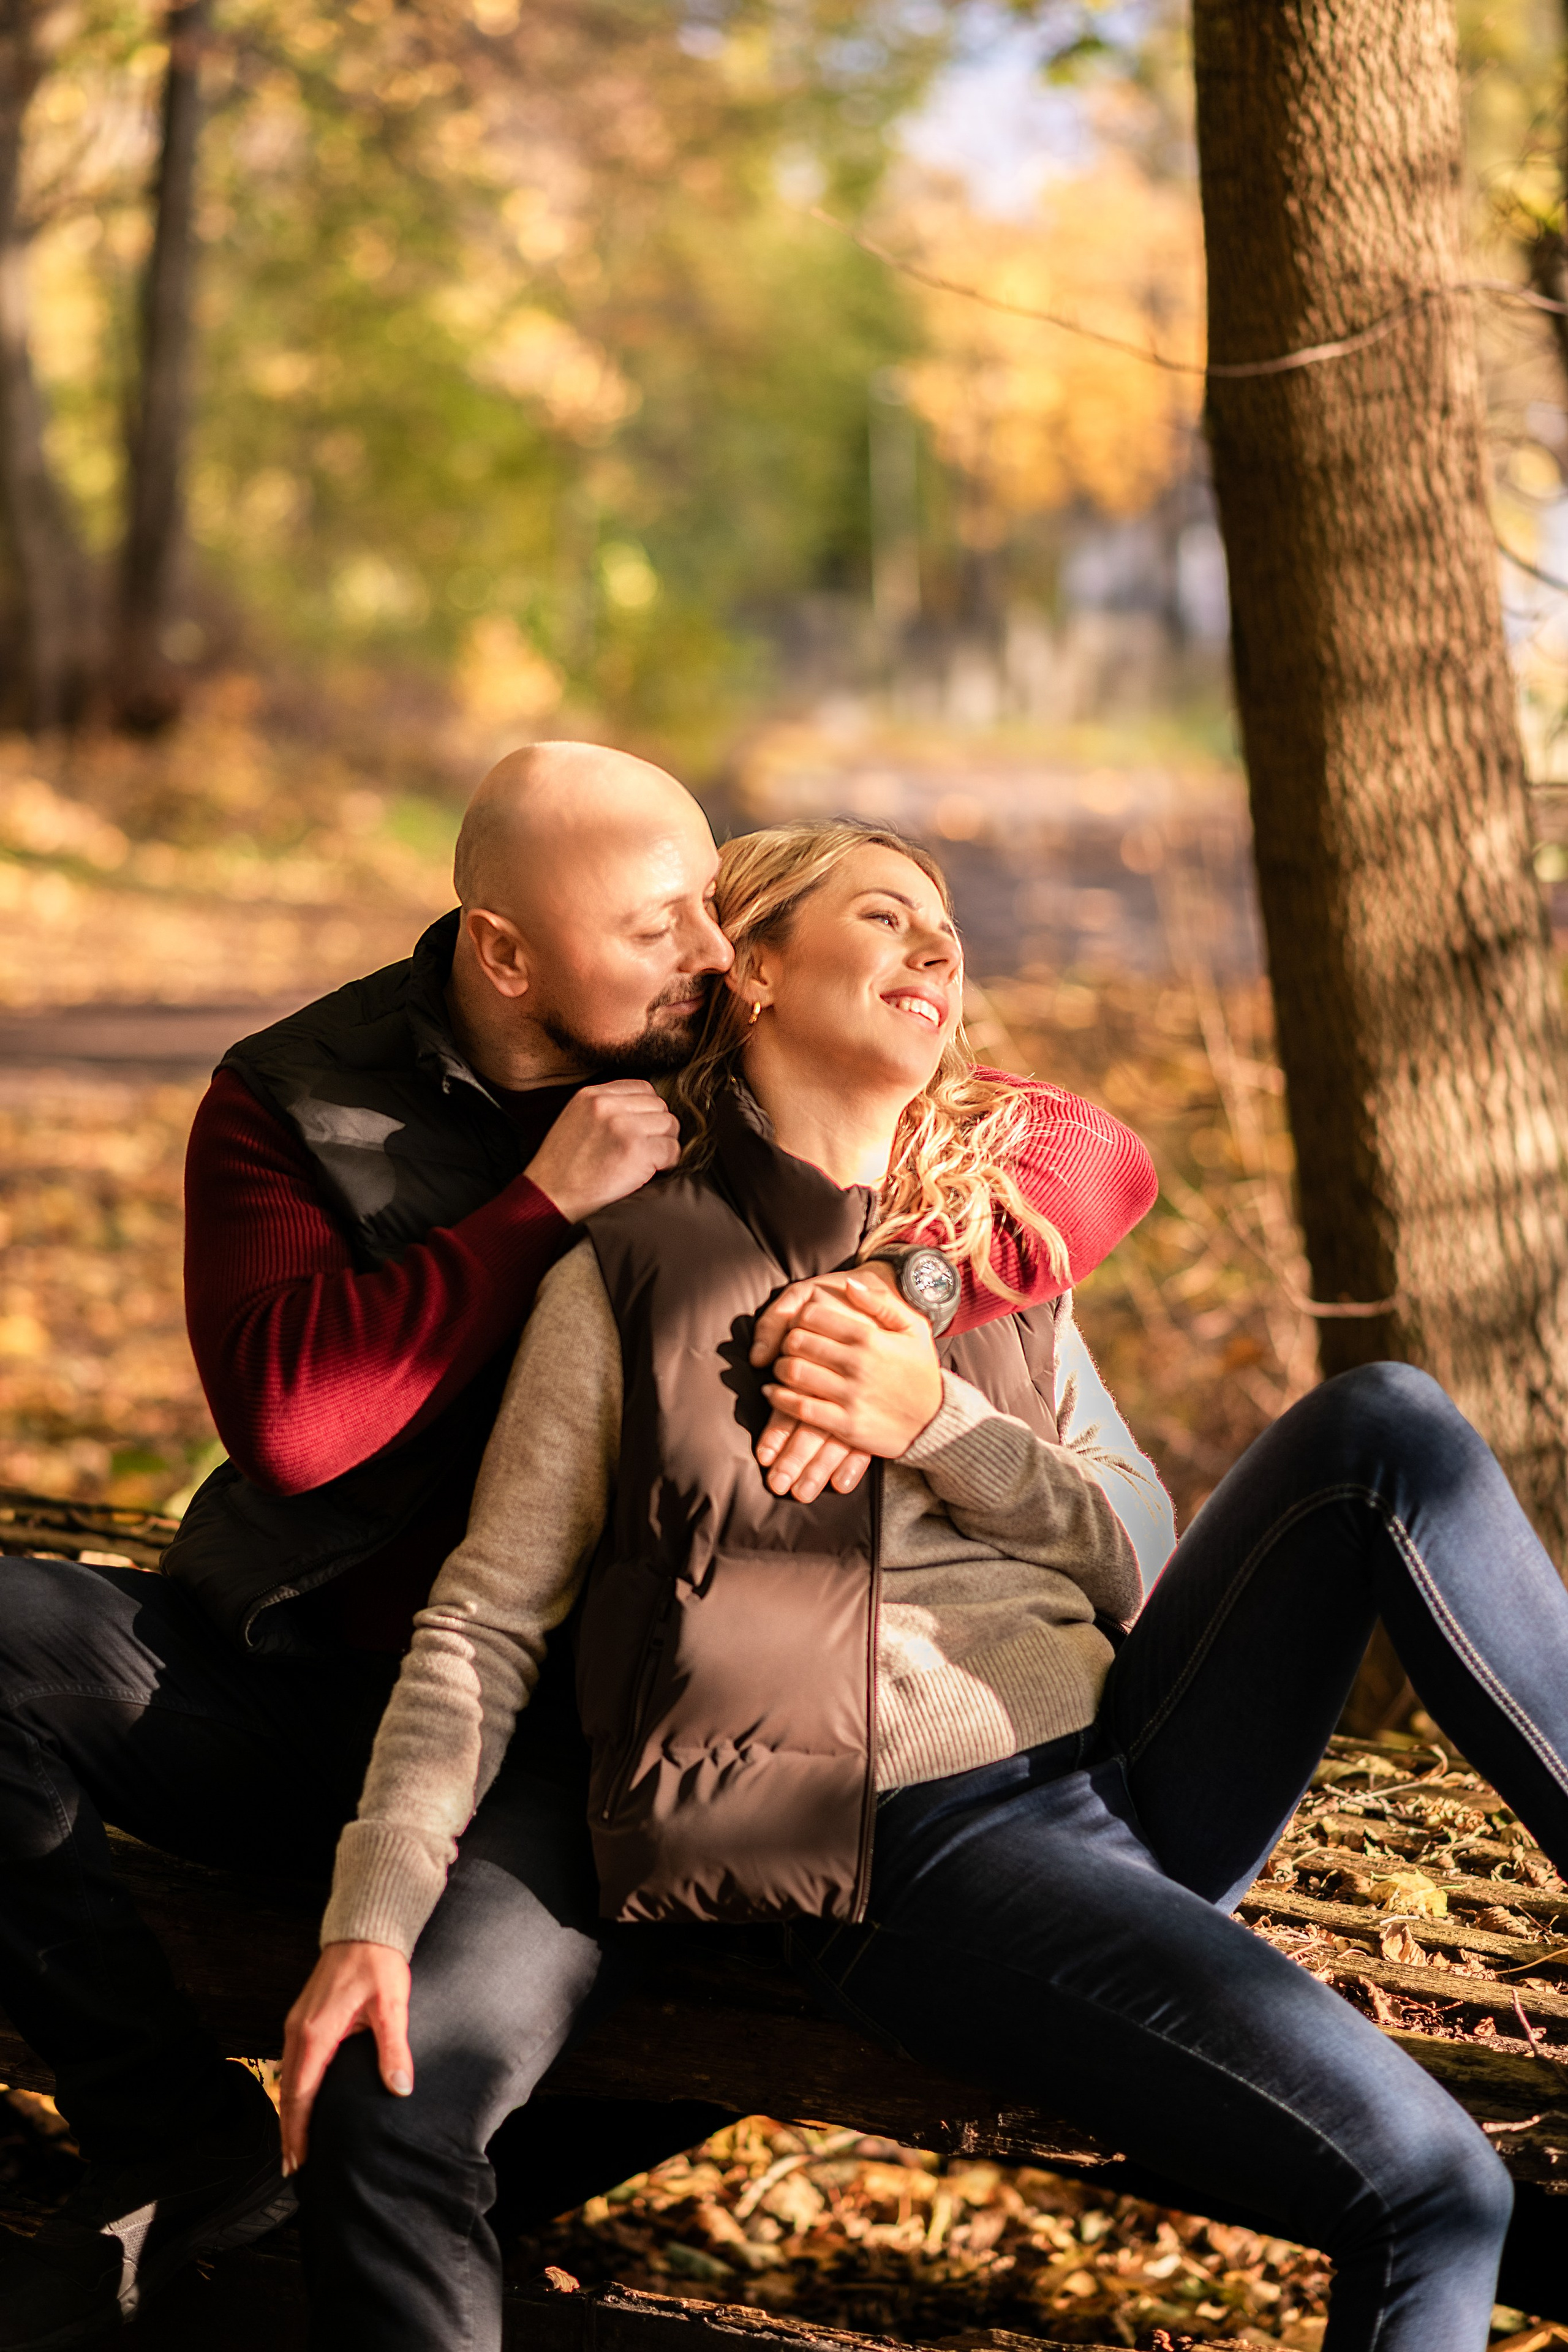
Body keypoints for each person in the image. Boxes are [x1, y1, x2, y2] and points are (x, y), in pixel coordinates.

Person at [287, 814, 1567, 2352]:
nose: (937, 948)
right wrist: (373, 1910)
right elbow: (486, 1622)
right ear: (748, 970)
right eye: (885, 916)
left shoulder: (990, 1243)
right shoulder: (627, 1277)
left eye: (945, 926)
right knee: (1437, 2191)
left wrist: (938, 1425)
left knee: (1386, 1425)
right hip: (926, 1842)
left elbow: (1134, 1555)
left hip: (1139, 1758)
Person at [0, 753, 1156, 2350]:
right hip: (321, 1678)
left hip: (599, 1714)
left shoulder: (709, 1042)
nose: (703, 952)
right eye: (654, 927)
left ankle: (391, 2234)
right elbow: (294, 1425)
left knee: (433, 2084)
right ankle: (162, 2142)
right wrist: (532, 1211)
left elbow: (1091, 1151)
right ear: (504, 951)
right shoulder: (300, 1100)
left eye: (711, 912)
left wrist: (908, 1294)